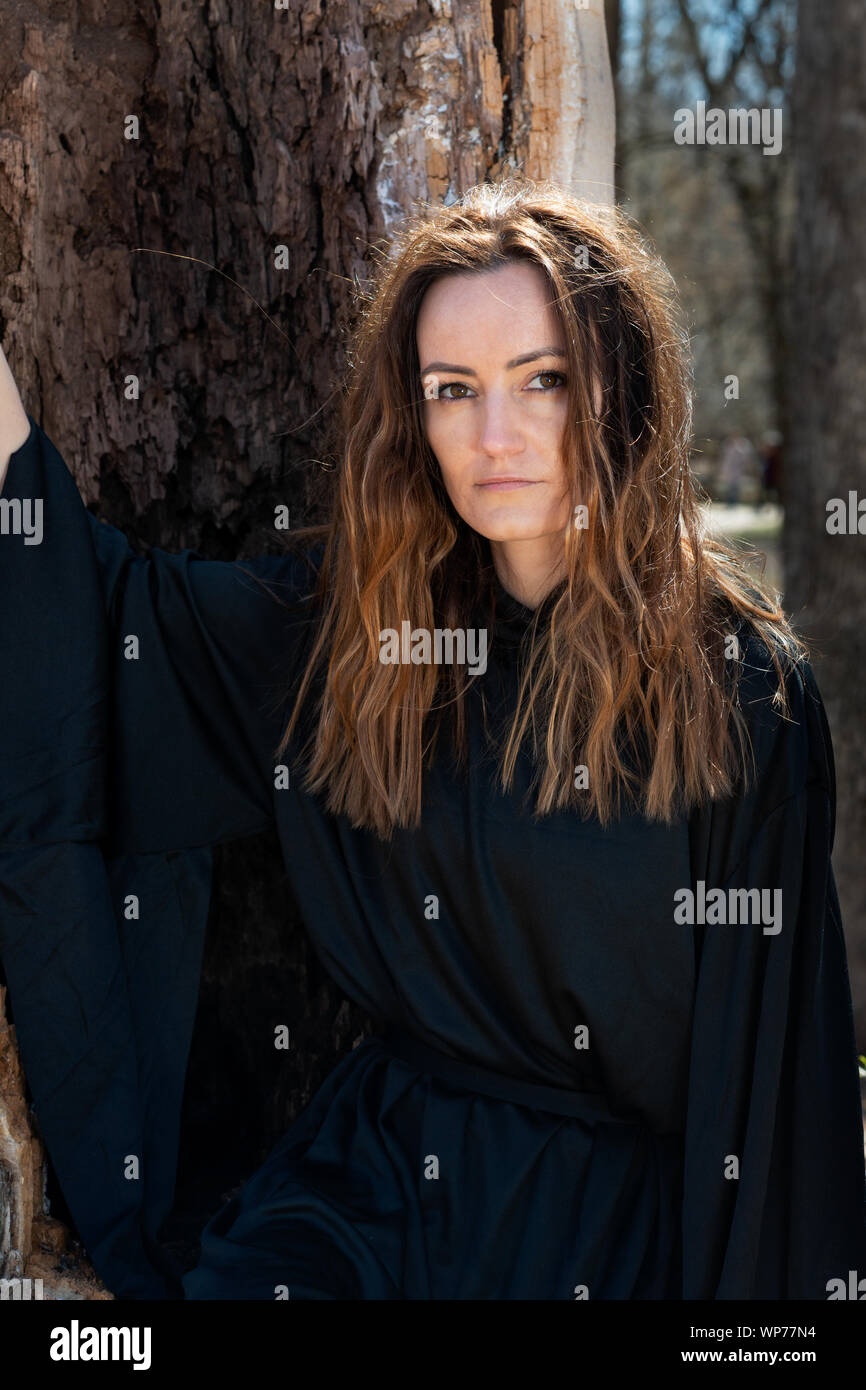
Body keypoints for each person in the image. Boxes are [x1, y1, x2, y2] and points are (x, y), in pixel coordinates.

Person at [0, 178, 864, 1302]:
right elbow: (109, 634)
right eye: (451, 392)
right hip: (372, 1199)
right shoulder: (368, 632)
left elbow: (775, 1089)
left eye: (540, 382)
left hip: (604, 1235)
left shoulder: (738, 695)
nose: (491, 437)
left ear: (621, 393)